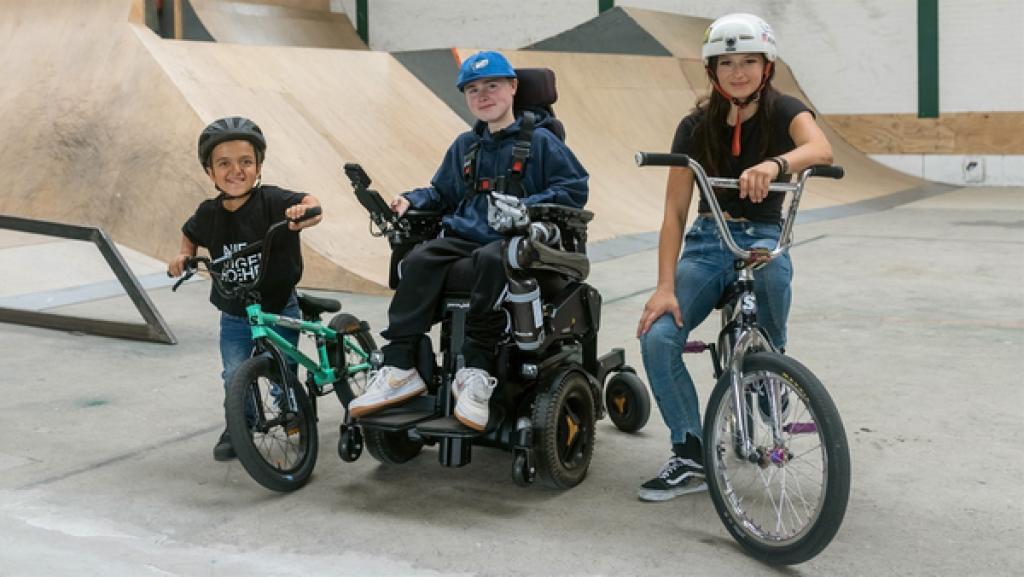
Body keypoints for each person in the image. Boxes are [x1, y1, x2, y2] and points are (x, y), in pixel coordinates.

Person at [634, 14, 833, 501]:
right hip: (708, 241)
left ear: (767, 67)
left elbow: (820, 148)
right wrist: (664, 287)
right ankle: (690, 452)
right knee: (658, 336)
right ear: (712, 71)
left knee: (773, 285)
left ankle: (769, 369)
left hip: (762, 237)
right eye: (726, 63)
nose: (737, 72)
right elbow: (674, 211)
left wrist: (776, 164)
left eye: (748, 61)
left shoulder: (784, 110)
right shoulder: (694, 127)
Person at [347, 51, 589, 431]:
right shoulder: (466, 146)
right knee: (420, 259)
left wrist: (527, 207)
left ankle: (476, 370)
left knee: (494, 260)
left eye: (492, 85)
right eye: (473, 90)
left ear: (513, 87)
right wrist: (411, 200)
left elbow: (574, 189)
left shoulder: (542, 141)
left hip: (520, 243)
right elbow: (441, 193)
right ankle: (400, 365)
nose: (483, 95)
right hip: (467, 237)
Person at [167, 116, 322, 461]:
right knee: (235, 373)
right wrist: (183, 255)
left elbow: (311, 203)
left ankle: (292, 410)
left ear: (259, 167)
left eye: (245, 162)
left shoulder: (272, 200)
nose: (235, 170)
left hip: (278, 305)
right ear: (210, 172)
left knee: (282, 367)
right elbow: (189, 234)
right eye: (224, 163)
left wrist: (304, 211)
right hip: (235, 311)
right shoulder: (208, 213)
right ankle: (240, 423)